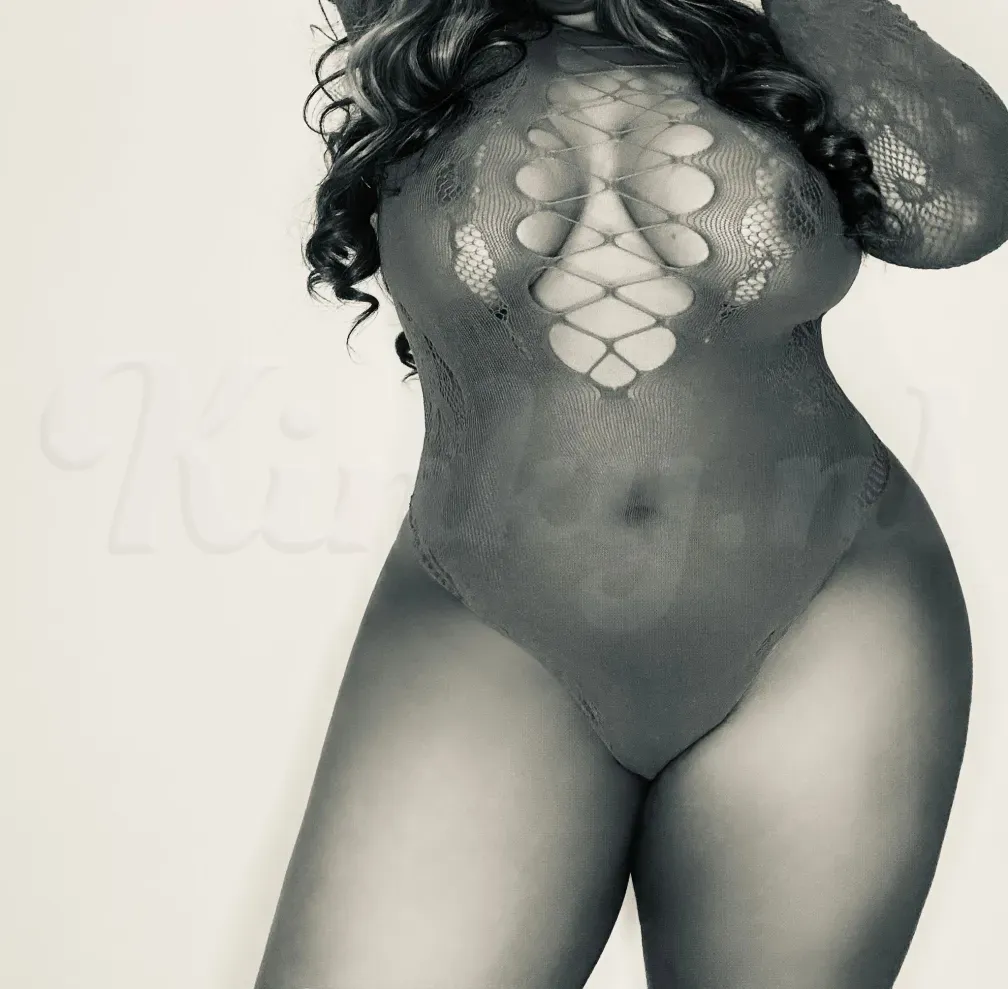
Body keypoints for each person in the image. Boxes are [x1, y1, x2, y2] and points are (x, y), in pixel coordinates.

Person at [255, 2, 1006, 986]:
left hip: (827, 619)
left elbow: (962, 208)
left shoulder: (770, 49)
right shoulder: (425, 33)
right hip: (490, 621)